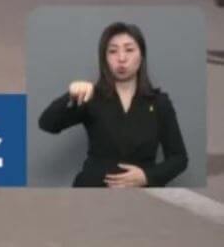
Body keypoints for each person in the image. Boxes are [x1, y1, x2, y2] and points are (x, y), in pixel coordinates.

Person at [38, 22, 188, 188]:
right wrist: (70, 95)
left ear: (141, 55)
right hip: (92, 189)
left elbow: (179, 158)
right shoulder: (91, 97)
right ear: (104, 58)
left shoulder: (159, 102)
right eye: (113, 51)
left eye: (129, 50)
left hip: (142, 194)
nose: (121, 58)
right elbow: (47, 124)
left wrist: (147, 176)